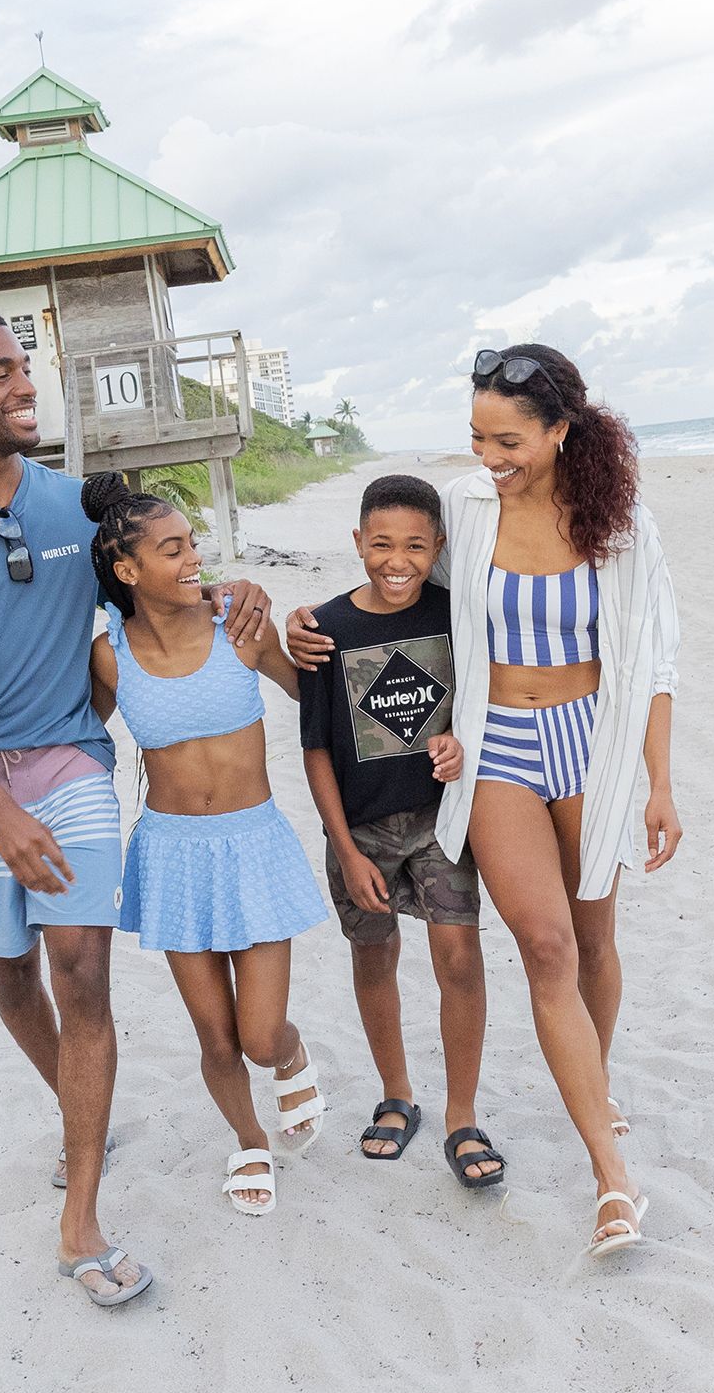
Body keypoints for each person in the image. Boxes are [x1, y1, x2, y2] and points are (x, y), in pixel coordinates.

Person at [0, 309, 269, 1308]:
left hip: (70, 761)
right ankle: (74, 1112)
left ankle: (79, 1211)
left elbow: (160, 587)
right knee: (12, 979)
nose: (22, 385)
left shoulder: (82, 510)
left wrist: (232, 594)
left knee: (80, 970)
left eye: (23, 367)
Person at [291, 344, 680, 1259]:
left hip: (594, 742)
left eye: (507, 439)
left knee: (593, 941)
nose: (489, 456)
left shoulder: (621, 524)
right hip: (497, 743)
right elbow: (399, 579)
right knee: (543, 946)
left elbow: (656, 660)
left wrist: (661, 781)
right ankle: (610, 1182)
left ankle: (598, 1078)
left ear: (559, 430)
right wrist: (306, 624)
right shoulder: (467, 507)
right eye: (476, 437)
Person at [84, 474, 330, 1218]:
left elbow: (311, 693)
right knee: (215, 1036)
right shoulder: (108, 654)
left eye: (193, 542)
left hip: (252, 844)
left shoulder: (237, 625)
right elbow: (80, 740)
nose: (195, 558)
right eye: (174, 549)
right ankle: (249, 1139)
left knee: (257, 1036)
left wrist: (307, 625)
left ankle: (290, 1057)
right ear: (128, 571)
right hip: (171, 854)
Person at [296, 473, 501, 1188]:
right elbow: (315, 749)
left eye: (416, 545)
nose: (397, 559)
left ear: (438, 546)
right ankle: (396, 1094)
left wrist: (454, 743)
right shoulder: (325, 630)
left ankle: (462, 1115)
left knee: (459, 961)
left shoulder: (457, 616)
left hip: (441, 826)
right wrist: (345, 849)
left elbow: (478, 707)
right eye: (381, 543)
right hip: (362, 832)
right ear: (358, 542)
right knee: (374, 956)